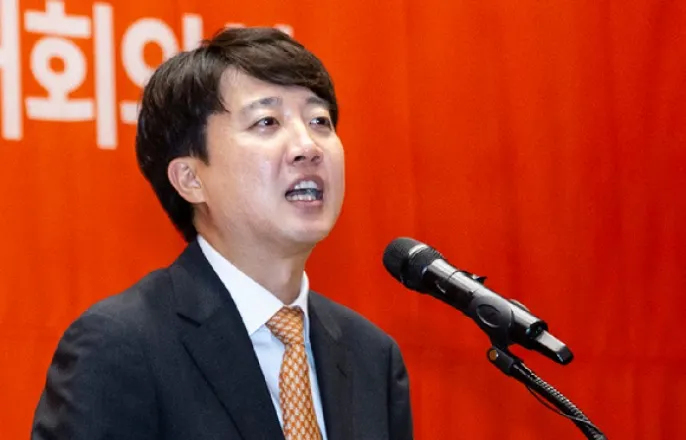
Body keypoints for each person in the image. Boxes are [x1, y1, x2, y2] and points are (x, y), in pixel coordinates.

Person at [31, 27, 413, 440]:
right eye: (267, 122)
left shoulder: (372, 357)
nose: (308, 146)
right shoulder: (121, 345)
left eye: (319, 121)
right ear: (191, 179)